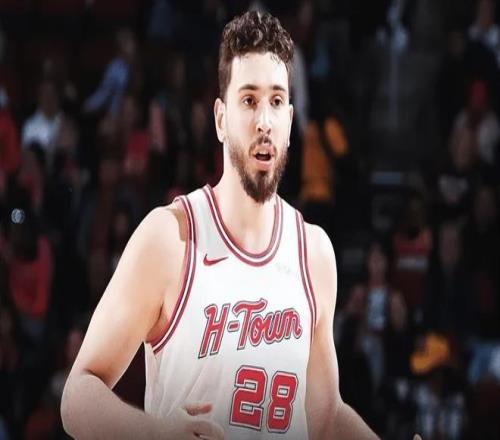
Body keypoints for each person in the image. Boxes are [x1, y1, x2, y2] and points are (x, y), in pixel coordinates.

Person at [60, 11, 382, 439]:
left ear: (289, 121)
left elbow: (325, 417)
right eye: (248, 100)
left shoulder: (314, 253)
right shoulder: (170, 238)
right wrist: (158, 435)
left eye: (276, 101)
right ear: (220, 119)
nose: (264, 121)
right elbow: (78, 396)